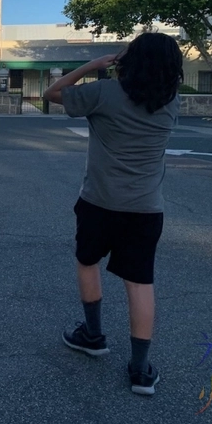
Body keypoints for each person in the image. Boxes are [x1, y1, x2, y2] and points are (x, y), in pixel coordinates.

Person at [43, 32, 183, 396]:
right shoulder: (170, 103)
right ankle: (140, 369)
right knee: (140, 283)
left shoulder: (104, 93)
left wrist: (93, 65)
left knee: (87, 262)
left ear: (127, 60)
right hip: (146, 208)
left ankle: (92, 334)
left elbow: (52, 94)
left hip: (99, 202)